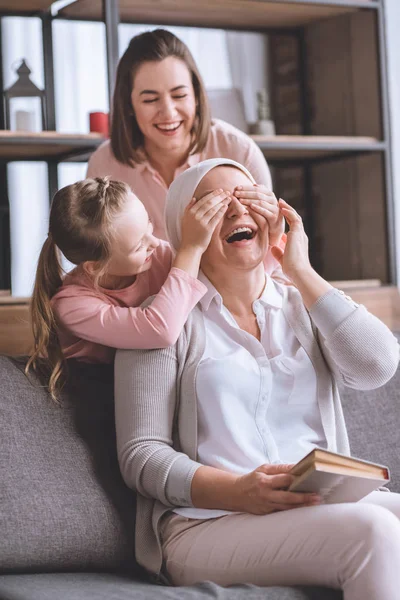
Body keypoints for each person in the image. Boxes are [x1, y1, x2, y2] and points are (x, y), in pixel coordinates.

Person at [114, 158, 400, 598]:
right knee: (374, 529)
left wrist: (300, 270)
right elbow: (141, 456)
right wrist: (239, 491)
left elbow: (377, 366)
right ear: (185, 227)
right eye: (214, 204)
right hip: (206, 524)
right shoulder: (161, 320)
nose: (237, 211)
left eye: (248, 199)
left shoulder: (299, 303)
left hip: (318, 504)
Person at [26, 175, 236, 401]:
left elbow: (226, 283)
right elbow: (160, 330)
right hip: (94, 388)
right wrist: (191, 248)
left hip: (158, 375)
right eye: (139, 247)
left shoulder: (159, 256)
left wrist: (272, 235)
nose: (155, 243)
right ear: (95, 267)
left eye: (149, 226)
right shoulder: (70, 306)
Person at [86, 29, 276, 252]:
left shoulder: (239, 151)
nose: (168, 112)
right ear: (128, 106)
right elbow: (99, 257)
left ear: (196, 96)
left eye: (179, 96)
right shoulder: (104, 165)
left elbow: (266, 248)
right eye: (150, 99)